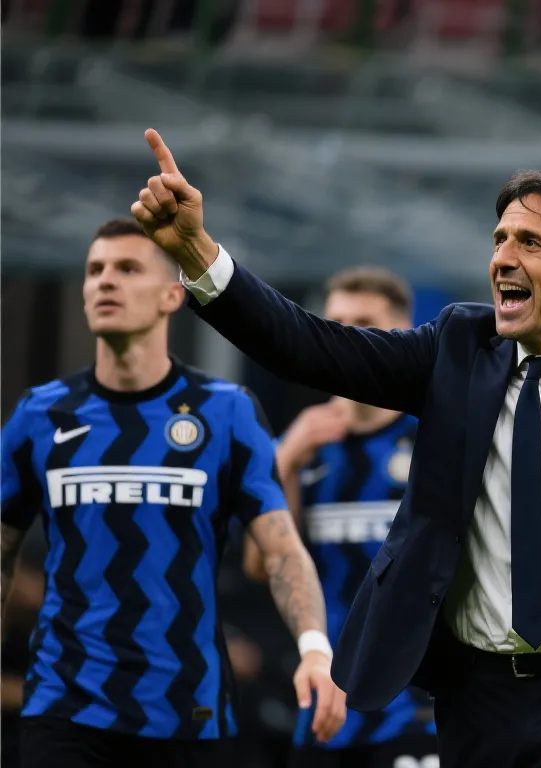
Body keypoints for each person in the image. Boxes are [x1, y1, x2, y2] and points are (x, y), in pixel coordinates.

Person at [131, 129, 541, 768]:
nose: (503, 258)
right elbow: (308, 346)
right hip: (476, 704)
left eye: (531, 242)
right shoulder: (458, 348)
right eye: (500, 239)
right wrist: (197, 252)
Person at [0, 218, 348, 768]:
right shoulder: (41, 414)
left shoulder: (226, 412)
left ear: (171, 296)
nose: (105, 281)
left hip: (188, 711)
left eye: (127, 268)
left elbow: (282, 551)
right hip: (65, 706)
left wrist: (314, 649)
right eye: (95, 270)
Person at [241, 267, 438, 768]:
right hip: (326, 699)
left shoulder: (434, 439)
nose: (347, 338)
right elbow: (259, 565)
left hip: (417, 705)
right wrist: (287, 455)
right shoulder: (302, 446)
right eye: (336, 324)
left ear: (402, 333)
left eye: (364, 323)